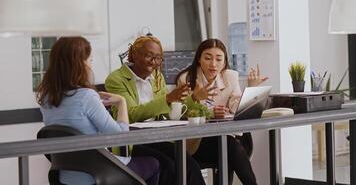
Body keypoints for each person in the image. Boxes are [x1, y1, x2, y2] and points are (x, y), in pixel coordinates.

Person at [36, 37, 160, 185]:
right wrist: (121, 103)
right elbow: (121, 138)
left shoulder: (46, 99)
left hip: (65, 177)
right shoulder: (86, 97)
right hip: (98, 174)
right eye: (90, 60)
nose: (90, 66)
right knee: (155, 164)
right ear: (79, 64)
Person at [105, 35, 206, 185]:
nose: (154, 62)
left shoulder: (157, 77)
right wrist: (167, 99)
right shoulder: (116, 79)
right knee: (169, 168)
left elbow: (168, 112)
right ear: (134, 54)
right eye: (149, 56)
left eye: (158, 58)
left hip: (156, 138)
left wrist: (194, 98)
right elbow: (132, 114)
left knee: (189, 166)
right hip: (133, 142)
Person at [176, 38, 267, 185]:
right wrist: (210, 112)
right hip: (197, 142)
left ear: (224, 62)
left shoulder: (230, 76)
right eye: (207, 58)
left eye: (219, 59)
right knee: (229, 147)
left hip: (229, 138)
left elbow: (236, 107)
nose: (213, 64)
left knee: (229, 146)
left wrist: (251, 89)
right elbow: (182, 113)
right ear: (199, 59)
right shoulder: (186, 79)